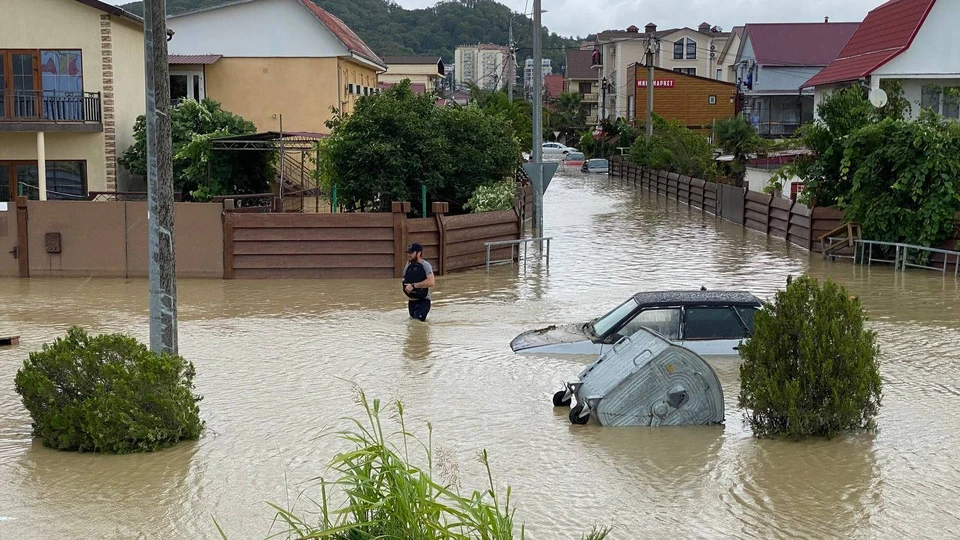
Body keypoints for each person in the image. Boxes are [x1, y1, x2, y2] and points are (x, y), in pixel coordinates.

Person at [402, 243, 435, 322]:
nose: (409, 255)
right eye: (408, 253)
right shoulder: (408, 265)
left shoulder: (425, 265)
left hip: (423, 301)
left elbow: (431, 282)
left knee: (417, 323)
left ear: (419, 253)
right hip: (411, 302)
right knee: (412, 327)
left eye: (411, 253)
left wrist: (414, 286)